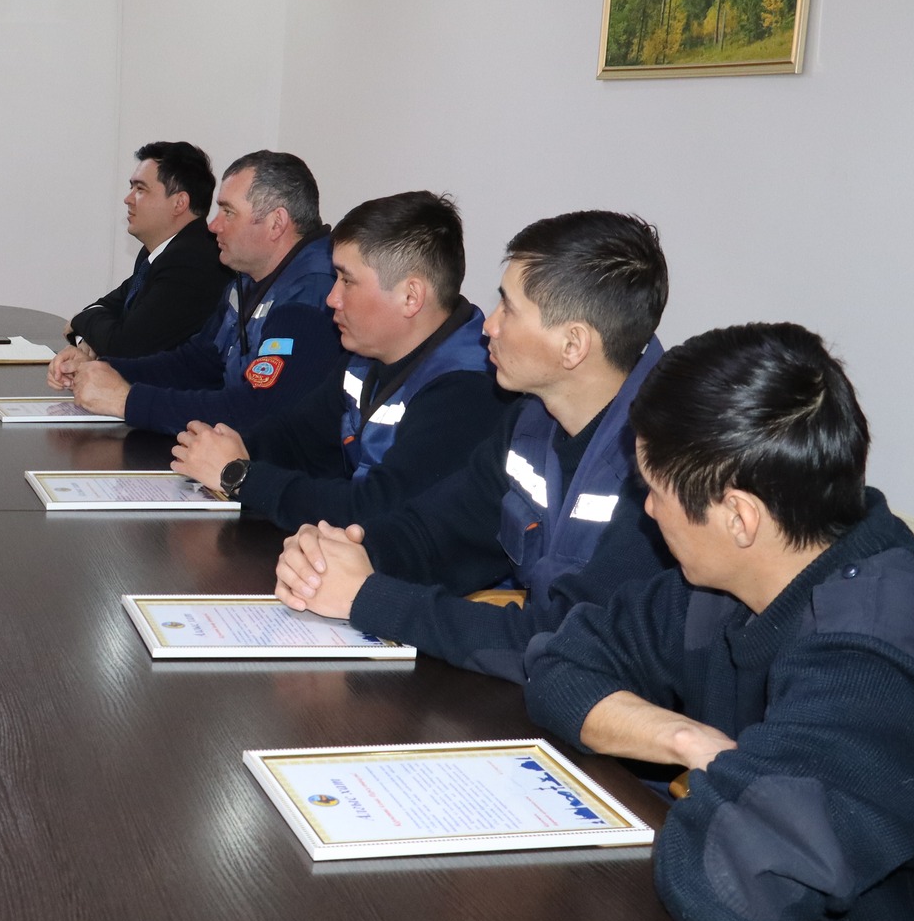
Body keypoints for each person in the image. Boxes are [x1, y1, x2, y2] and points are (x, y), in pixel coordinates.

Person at [522, 324, 914, 921]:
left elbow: (718, 885)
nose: (647, 508)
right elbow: (558, 662)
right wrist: (686, 741)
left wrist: (718, 778)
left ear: (739, 515)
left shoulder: (881, 660)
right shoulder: (728, 584)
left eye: (654, 488)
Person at [274, 211, 676, 681]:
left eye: (509, 309)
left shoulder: (665, 467)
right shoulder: (530, 421)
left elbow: (563, 641)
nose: (490, 326)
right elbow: (436, 534)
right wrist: (334, 558)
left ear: (573, 345)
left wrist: (369, 597)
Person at [170, 191, 511, 529]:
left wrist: (239, 476)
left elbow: (375, 511)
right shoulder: (366, 355)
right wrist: (228, 448)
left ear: (411, 297)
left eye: (347, 280)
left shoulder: (468, 387)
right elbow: (298, 438)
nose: (332, 298)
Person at [47, 151, 339, 436]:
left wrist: (128, 401)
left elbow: (258, 411)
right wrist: (105, 369)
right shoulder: (249, 279)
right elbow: (198, 363)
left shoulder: (313, 294)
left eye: (228, 212)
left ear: (276, 223)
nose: (213, 225)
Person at [62, 142, 230, 358]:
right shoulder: (157, 253)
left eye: (140, 189)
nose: (128, 199)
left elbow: (123, 346)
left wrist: (80, 320)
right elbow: (105, 307)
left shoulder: (193, 261)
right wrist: (87, 337)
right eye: (131, 188)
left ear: (179, 203)